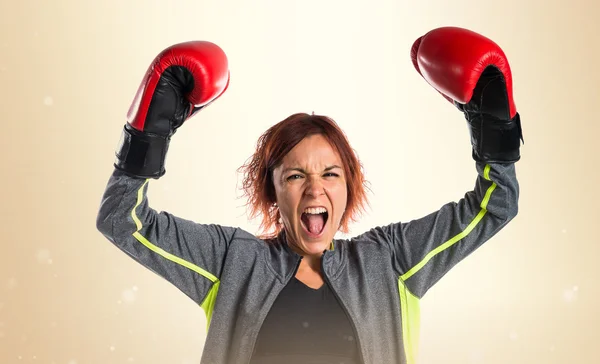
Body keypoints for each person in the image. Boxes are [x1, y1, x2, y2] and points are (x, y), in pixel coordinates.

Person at [96, 26, 523, 364]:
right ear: (274, 188)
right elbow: (120, 219)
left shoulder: (389, 261)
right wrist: (149, 134)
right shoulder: (234, 260)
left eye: (331, 173)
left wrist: (491, 125)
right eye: (297, 175)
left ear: (349, 185)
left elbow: (496, 205)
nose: (315, 187)